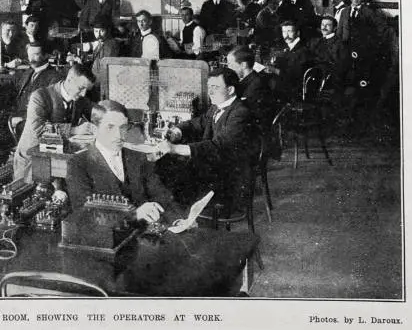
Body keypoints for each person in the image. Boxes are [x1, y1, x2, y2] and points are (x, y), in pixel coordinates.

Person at [155, 68, 257, 216]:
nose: (210, 92)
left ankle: (180, 217)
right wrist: (177, 131)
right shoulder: (217, 106)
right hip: (215, 165)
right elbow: (200, 122)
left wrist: (176, 149)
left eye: (215, 87)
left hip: (230, 176)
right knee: (166, 168)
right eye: (209, 87)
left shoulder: (240, 113)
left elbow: (219, 146)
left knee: (170, 171)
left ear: (230, 89)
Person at [66, 100, 182, 223]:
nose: (118, 135)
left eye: (123, 127)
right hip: (108, 238)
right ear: (95, 129)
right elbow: (85, 213)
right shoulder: (78, 164)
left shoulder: (139, 157)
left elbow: (163, 196)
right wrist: (134, 215)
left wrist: (179, 220)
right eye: (110, 127)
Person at [13, 64, 95, 182]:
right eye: (81, 88)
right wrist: (75, 130)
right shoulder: (39, 96)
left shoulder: (78, 98)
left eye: (87, 90)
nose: (83, 94)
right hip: (32, 161)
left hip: (57, 160)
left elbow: (95, 110)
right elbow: (39, 130)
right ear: (70, 79)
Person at [0, 42, 62, 166]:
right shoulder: (28, 72)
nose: (31, 59)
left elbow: (49, 110)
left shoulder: (54, 77)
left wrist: (22, 119)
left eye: (36, 55)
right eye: (29, 55)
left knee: (2, 143)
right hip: (17, 118)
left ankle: (5, 174)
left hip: (34, 123)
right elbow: (14, 89)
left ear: (46, 56)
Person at [227, 46, 273, 130]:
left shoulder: (257, 85)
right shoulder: (249, 80)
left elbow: (246, 116)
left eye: (230, 64)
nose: (228, 68)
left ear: (243, 65)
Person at [267, 20, 315, 102]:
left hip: (293, 92)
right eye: (284, 32)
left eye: (289, 31)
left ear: (297, 33)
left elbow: (293, 76)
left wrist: (274, 70)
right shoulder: (287, 48)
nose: (286, 35)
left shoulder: (302, 51)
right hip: (286, 87)